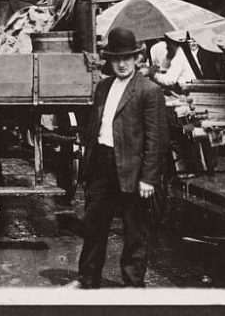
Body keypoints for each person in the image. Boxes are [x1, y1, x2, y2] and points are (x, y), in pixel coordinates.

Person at [72, 27, 168, 289]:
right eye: (117, 58)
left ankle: (132, 284)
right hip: (102, 164)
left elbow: (156, 139)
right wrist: (89, 162)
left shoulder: (149, 91)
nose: (122, 64)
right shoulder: (103, 87)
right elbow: (96, 125)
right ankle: (88, 279)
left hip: (133, 169)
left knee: (135, 231)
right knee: (94, 225)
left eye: (127, 58)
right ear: (110, 61)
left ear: (137, 58)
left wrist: (149, 178)